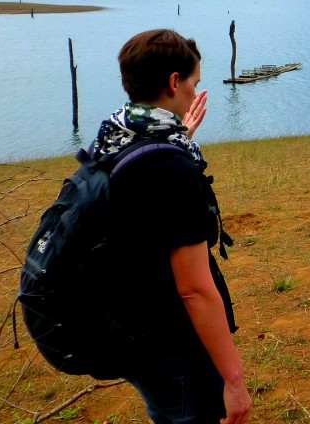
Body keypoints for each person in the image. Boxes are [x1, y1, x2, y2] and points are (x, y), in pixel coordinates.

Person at [93, 29, 250, 423]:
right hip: (171, 338)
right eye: (194, 83)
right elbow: (194, 288)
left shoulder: (115, 137)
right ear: (174, 82)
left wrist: (182, 139)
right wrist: (234, 381)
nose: (197, 94)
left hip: (132, 327)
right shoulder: (169, 167)